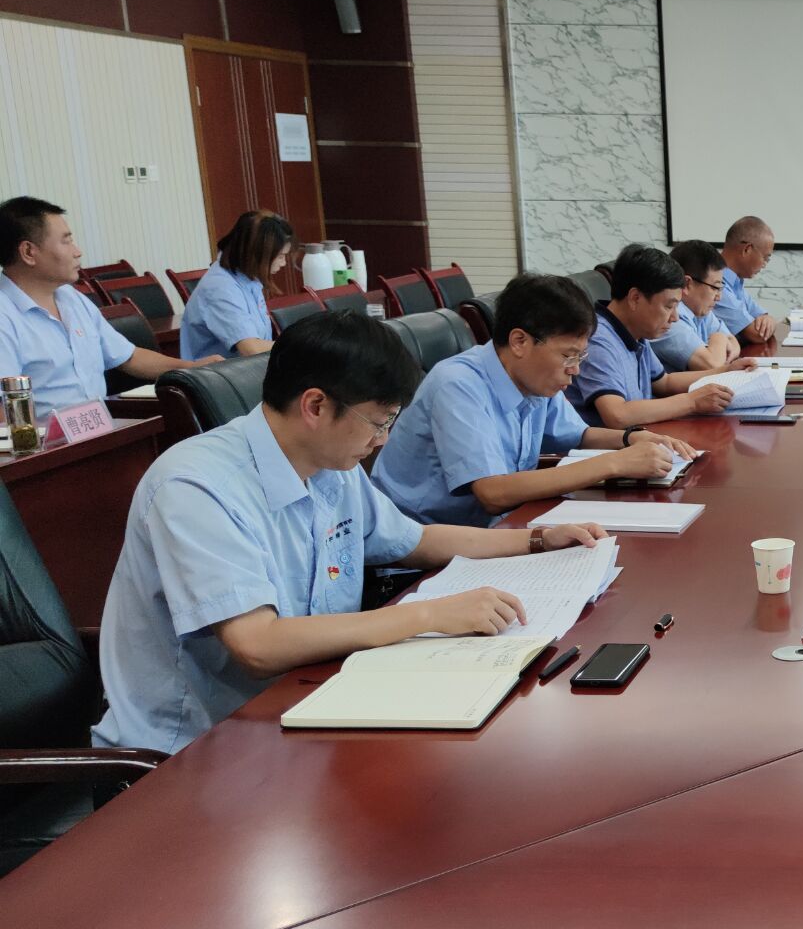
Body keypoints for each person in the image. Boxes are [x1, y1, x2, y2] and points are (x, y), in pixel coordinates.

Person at [91, 312, 608, 755]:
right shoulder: (197, 486)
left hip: (309, 702)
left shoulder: (329, 464)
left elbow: (414, 541)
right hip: (194, 749)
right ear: (316, 406)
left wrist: (537, 541)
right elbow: (257, 645)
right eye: (379, 422)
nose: (382, 441)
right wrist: (428, 615)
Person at [371, 272, 696, 526]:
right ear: (519, 341)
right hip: (423, 552)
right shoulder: (458, 385)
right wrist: (615, 463)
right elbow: (493, 493)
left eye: (580, 356)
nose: (575, 369)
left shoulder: (533, 377)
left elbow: (578, 434)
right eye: (568, 356)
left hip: (498, 526)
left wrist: (633, 438)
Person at [0, 196, 217, 411]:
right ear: (28, 252)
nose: (77, 251)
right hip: (46, 434)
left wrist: (191, 368)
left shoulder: (71, 298)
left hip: (102, 425)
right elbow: (3, 408)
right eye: (66, 241)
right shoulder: (5, 315)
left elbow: (129, 357)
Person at [570, 244, 735, 428]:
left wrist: (727, 371)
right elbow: (617, 414)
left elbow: (664, 382)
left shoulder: (635, 331)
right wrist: (692, 402)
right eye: (669, 306)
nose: (675, 317)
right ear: (635, 298)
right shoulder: (597, 339)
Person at [178, 210, 293, 361]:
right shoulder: (221, 287)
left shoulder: (248, 277)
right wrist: (299, 345)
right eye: (280, 256)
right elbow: (251, 349)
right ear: (256, 254)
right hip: (216, 373)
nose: (284, 263)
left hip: (247, 367)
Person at [652, 238, 742, 373]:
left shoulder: (701, 311)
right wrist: (719, 338)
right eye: (715, 287)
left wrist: (720, 349)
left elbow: (733, 343)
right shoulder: (669, 317)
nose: (719, 297)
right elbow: (712, 366)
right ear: (687, 284)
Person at [715, 215, 778, 344]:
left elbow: (763, 316)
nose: (764, 265)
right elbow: (758, 334)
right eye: (765, 258)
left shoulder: (735, 281)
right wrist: (767, 324)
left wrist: (769, 319)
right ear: (747, 249)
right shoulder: (716, 285)